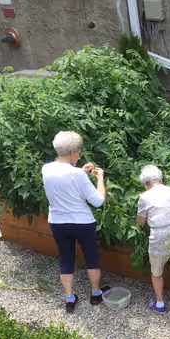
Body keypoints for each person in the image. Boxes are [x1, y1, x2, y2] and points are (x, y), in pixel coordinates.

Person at [41, 131, 109, 314]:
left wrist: (82, 172)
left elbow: (66, 180)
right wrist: (100, 178)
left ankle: (69, 299)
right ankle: (95, 294)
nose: (78, 155)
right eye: (78, 151)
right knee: (91, 257)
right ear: (72, 153)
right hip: (82, 223)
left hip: (57, 223)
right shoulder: (77, 174)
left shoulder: (46, 169)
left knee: (66, 258)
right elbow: (98, 201)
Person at [137, 165, 170, 314]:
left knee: (157, 271)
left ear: (146, 184)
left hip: (159, 236)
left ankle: (160, 304)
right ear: (160, 179)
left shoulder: (144, 197)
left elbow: (141, 222)